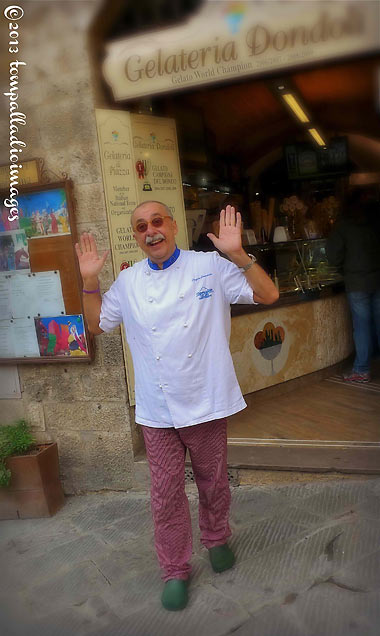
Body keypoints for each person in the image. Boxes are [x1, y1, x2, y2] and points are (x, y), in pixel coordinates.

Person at [75, 201, 279, 611]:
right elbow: (96, 325)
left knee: (213, 481)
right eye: (140, 226)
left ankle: (217, 537)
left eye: (156, 222)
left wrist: (238, 255)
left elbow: (268, 294)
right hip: (157, 409)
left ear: (172, 225)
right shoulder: (129, 283)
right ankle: (174, 568)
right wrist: (89, 281)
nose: (150, 231)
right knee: (165, 493)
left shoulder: (210, 266)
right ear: (135, 236)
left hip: (205, 399)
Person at [326, 189, 380, 383]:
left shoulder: (343, 226)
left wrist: (343, 270)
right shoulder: (375, 222)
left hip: (357, 282)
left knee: (362, 326)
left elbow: (333, 257)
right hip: (377, 278)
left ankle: (362, 369)